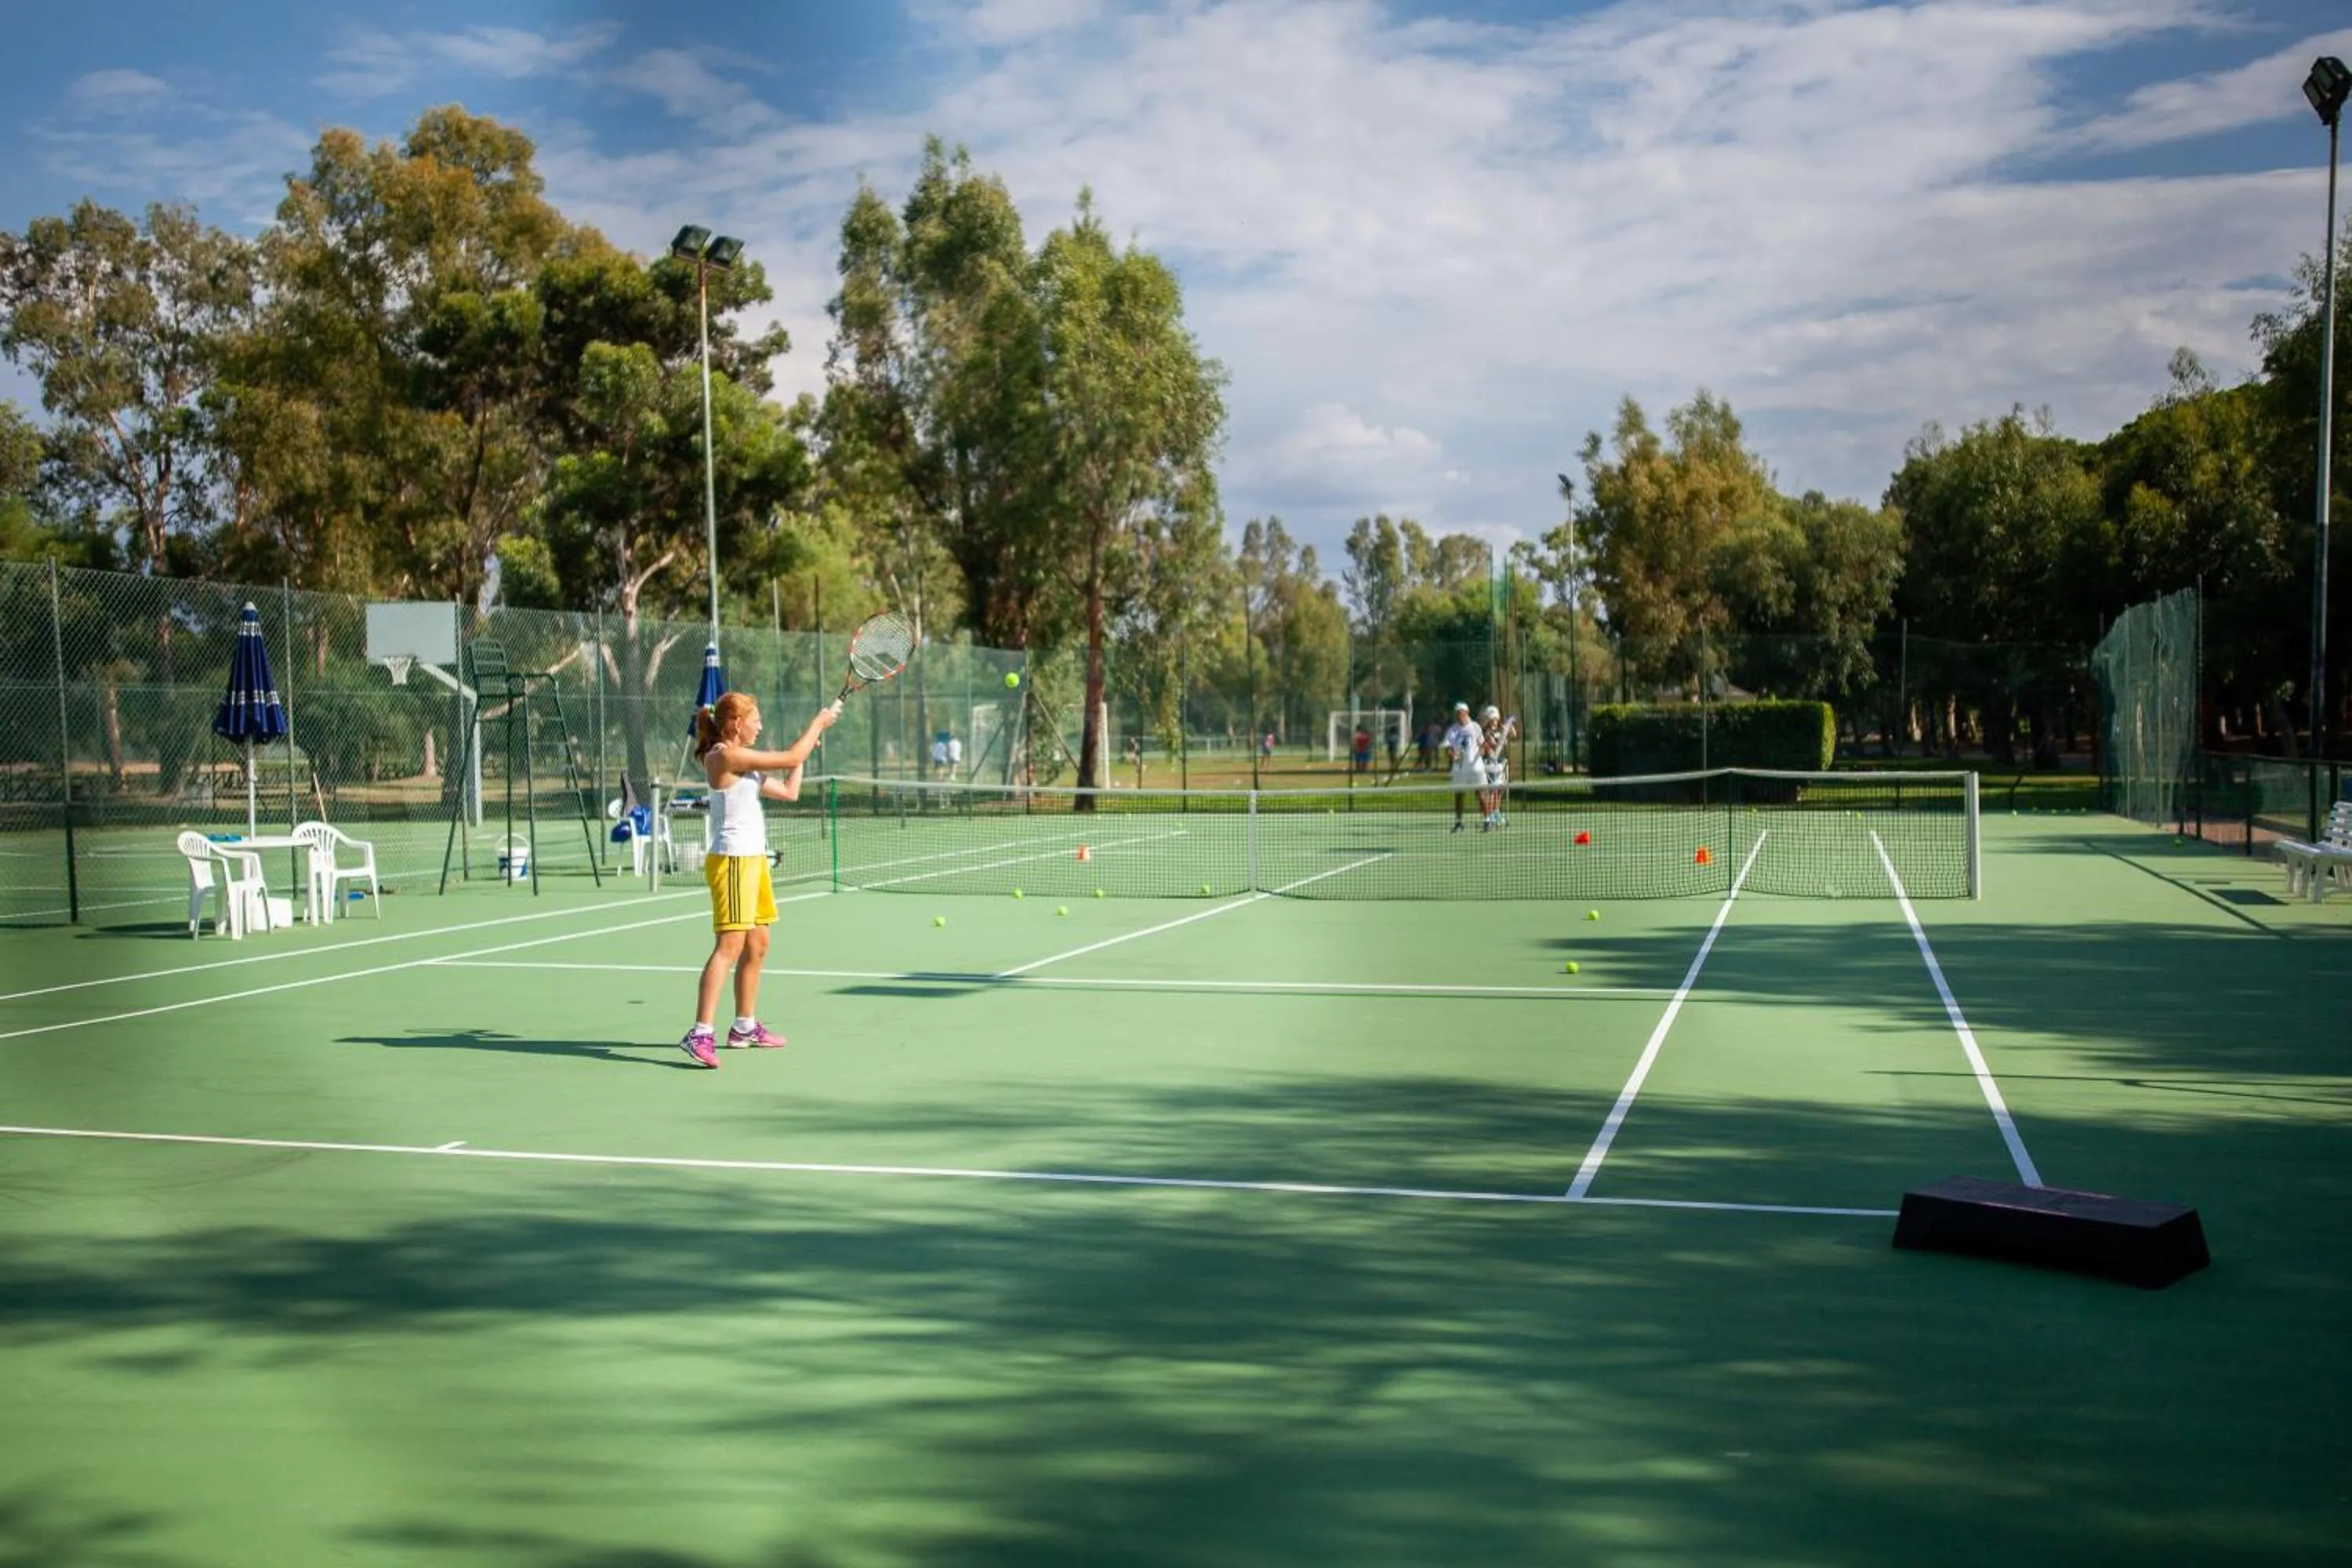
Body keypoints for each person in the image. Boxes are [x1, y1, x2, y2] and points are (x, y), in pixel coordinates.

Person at [678, 691, 837, 1069]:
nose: (760, 725)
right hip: (732, 862)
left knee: (758, 944)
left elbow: (789, 790)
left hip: (754, 861)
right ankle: (699, 1032)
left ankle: (744, 1027)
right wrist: (817, 723)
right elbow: (790, 756)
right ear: (736, 724)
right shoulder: (725, 756)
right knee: (729, 948)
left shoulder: (745, 766)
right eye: (756, 719)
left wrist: (807, 750)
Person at [1444, 701, 1484, 831]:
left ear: (1466, 713)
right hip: (1459, 768)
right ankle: (1458, 822)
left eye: (1461, 713)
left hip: (1475, 767)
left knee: (1481, 793)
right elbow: (1448, 748)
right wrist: (1453, 755)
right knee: (1459, 795)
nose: (1459, 716)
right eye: (1457, 714)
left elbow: (1482, 745)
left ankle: (1487, 819)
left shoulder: (1475, 727)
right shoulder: (1452, 730)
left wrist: (1479, 757)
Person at [1478, 703, 1513, 829]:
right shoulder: (1487, 733)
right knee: (1493, 791)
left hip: (1501, 764)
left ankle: (1496, 811)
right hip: (1491, 764)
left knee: (1500, 791)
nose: (1494, 722)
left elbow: (1513, 735)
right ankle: (1491, 814)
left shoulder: (1500, 730)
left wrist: (1508, 727)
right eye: (1492, 719)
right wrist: (1501, 736)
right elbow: (1493, 745)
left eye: (1496, 719)